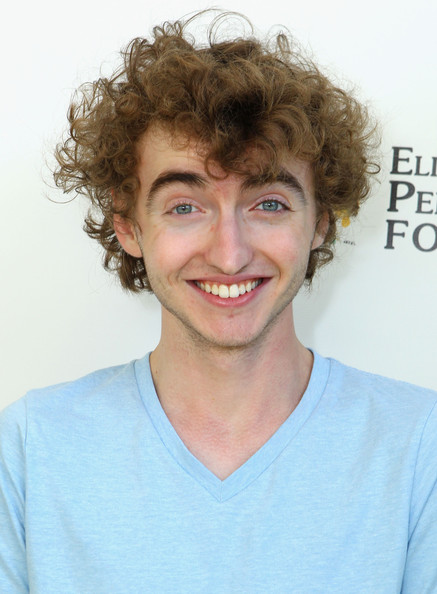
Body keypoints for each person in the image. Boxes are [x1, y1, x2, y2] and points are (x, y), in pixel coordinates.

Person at [1, 11, 436, 594]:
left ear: (321, 223)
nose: (230, 255)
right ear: (128, 226)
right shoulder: (29, 448)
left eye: (270, 204)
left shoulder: (421, 448)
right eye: (185, 206)